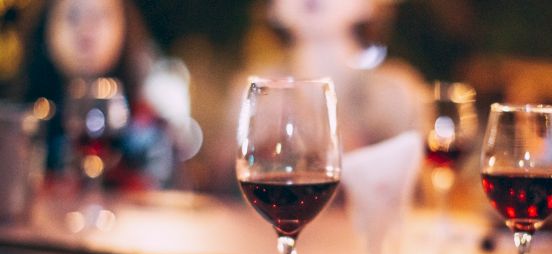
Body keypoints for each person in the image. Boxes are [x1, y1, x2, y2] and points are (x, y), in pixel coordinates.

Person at [211, 0, 431, 193]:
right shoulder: (254, 90)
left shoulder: (396, 92)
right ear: (273, 7)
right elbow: (219, 187)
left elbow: (421, 191)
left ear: (369, 5)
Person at [21, 0, 201, 191]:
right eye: (73, 16)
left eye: (100, 16)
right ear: (46, 27)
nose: (86, 28)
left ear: (124, 28)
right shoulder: (24, 124)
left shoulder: (147, 131)